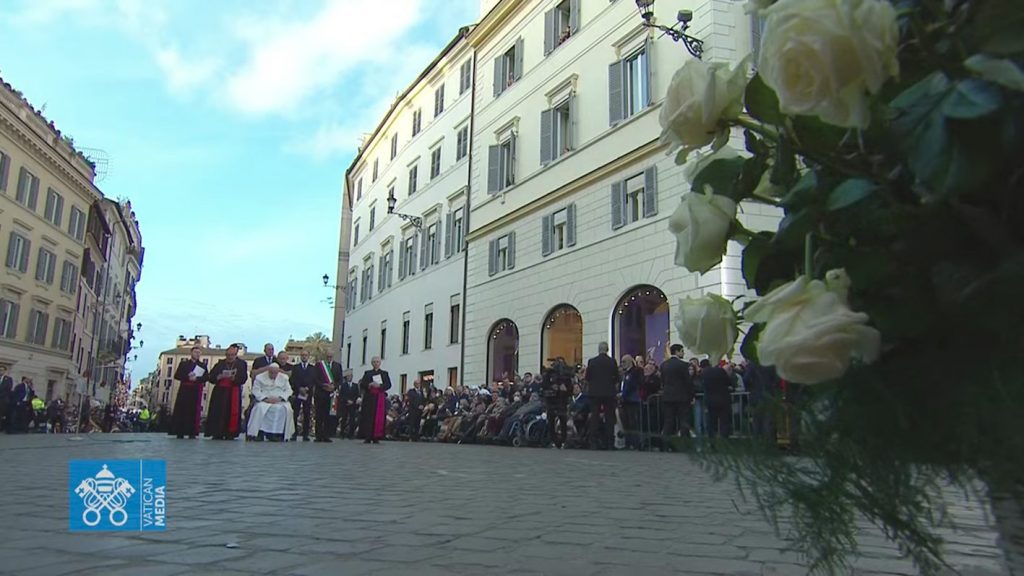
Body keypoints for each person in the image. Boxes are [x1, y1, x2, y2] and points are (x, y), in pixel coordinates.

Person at [205, 344, 248, 440]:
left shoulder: (241, 364)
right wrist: (218, 377)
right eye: (228, 355)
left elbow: (243, 378)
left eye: (232, 355)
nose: (230, 357)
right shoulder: (220, 364)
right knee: (218, 412)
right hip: (220, 392)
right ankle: (217, 432)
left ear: (236, 355)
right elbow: (210, 377)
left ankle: (230, 433)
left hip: (233, 392)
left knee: (231, 413)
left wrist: (234, 378)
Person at [584, 342, 619, 450]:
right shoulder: (612, 361)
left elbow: (587, 377)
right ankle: (609, 442)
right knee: (609, 417)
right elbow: (617, 377)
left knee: (594, 417)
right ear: (607, 349)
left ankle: (593, 442)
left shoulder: (592, 361)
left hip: (595, 392)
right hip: (608, 392)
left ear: (598, 349)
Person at [247, 363, 295, 441]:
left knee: (286, 409)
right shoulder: (260, 377)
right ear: (268, 371)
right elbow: (256, 390)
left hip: (279, 401)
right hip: (264, 400)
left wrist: (280, 398)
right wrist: (265, 399)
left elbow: (288, 390)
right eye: (271, 373)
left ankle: (277, 434)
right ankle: (258, 433)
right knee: (259, 408)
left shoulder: (284, 378)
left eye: (275, 373)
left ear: (278, 372)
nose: (273, 375)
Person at [660, 344, 695, 449]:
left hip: (668, 396)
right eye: (682, 351)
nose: (683, 353)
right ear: (677, 352)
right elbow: (688, 382)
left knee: (668, 421)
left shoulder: (664, 365)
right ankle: (684, 445)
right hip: (682, 397)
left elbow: (663, 381)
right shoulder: (683, 365)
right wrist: (691, 395)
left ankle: (665, 444)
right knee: (683, 421)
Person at [169, 346, 208, 439]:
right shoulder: (184, 364)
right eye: (195, 352)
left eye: (199, 352)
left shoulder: (202, 365)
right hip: (184, 390)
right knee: (181, 410)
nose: (197, 354)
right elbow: (177, 375)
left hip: (195, 391)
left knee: (193, 412)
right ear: (191, 353)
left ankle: (192, 432)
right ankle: (180, 432)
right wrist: (187, 377)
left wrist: (197, 378)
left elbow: (206, 377)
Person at [358, 357, 392, 444]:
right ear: (372, 363)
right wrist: (369, 385)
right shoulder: (367, 373)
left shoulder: (384, 373)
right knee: (368, 417)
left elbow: (388, 385)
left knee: (378, 417)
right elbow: (362, 384)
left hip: (379, 398)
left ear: (380, 363)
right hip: (369, 398)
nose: (376, 363)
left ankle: (376, 436)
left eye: (377, 362)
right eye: (374, 362)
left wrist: (379, 386)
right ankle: (368, 436)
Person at [541, 359, 573, 449]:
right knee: (552, 421)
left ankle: (563, 440)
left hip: (561, 400)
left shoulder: (566, 377)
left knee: (562, 421)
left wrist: (565, 389)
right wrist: (551, 386)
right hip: (552, 400)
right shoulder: (549, 374)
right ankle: (554, 440)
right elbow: (544, 385)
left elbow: (570, 389)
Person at [703, 360, 734, 438]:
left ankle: (711, 438)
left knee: (711, 421)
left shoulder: (706, 372)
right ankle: (724, 438)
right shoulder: (721, 371)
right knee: (724, 421)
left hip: (710, 400)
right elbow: (728, 382)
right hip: (723, 399)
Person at [289, 351, 316, 441]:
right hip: (298, 393)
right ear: (300, 356)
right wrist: (299, 388)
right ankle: (294, 433)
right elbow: (293, 379)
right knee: (295, 413)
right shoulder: (296, 367)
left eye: (306, 355)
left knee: (307, 413)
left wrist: (307, 388)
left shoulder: (312, 368)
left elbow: (313, 380)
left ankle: (305, 435)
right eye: (303, 355)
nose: (304, 357)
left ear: (308, 356)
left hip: (308, 393)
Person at [619, 356, 643, 449]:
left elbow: (631, 386)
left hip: (632, 400)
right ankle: (628, 443)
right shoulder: (625, 373)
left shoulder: (635, 372)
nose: (622, 363)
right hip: (625, 401)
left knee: (633, 422)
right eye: (622, 361)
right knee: (626, 423)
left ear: (630, 362)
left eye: (624, 361)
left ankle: (636, 443)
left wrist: (622, 394)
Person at [312, 356, 337, 443]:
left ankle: (327, 435)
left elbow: (339, 379)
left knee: (328, 416)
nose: (329, 357)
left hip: (331, 394)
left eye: (331, 356)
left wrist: (334, 387)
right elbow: (315, 378)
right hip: (320, 394)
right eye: (328, 356)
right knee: (319, 415)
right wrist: (323, 385)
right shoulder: (319, 365)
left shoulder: (337, 366)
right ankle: (318, 436)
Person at [336, 370, 359, 438]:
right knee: (344, 419)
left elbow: (357, 394)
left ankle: (351, 434)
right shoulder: (343, 385)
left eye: (350, 376)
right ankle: (342, 433)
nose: (349, 377)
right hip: (345, 404)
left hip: (353, 404)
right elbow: (341, 395)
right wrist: (347, 400)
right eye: (348, 376)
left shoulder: (355, 385)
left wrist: (353, 401)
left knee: (352, 419)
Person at [0, 365, 12, 432]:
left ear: (4, 371)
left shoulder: (8, 379)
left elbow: (8, 389)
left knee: (1, 414)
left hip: (3, 399)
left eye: (2, 370)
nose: (0, 371)